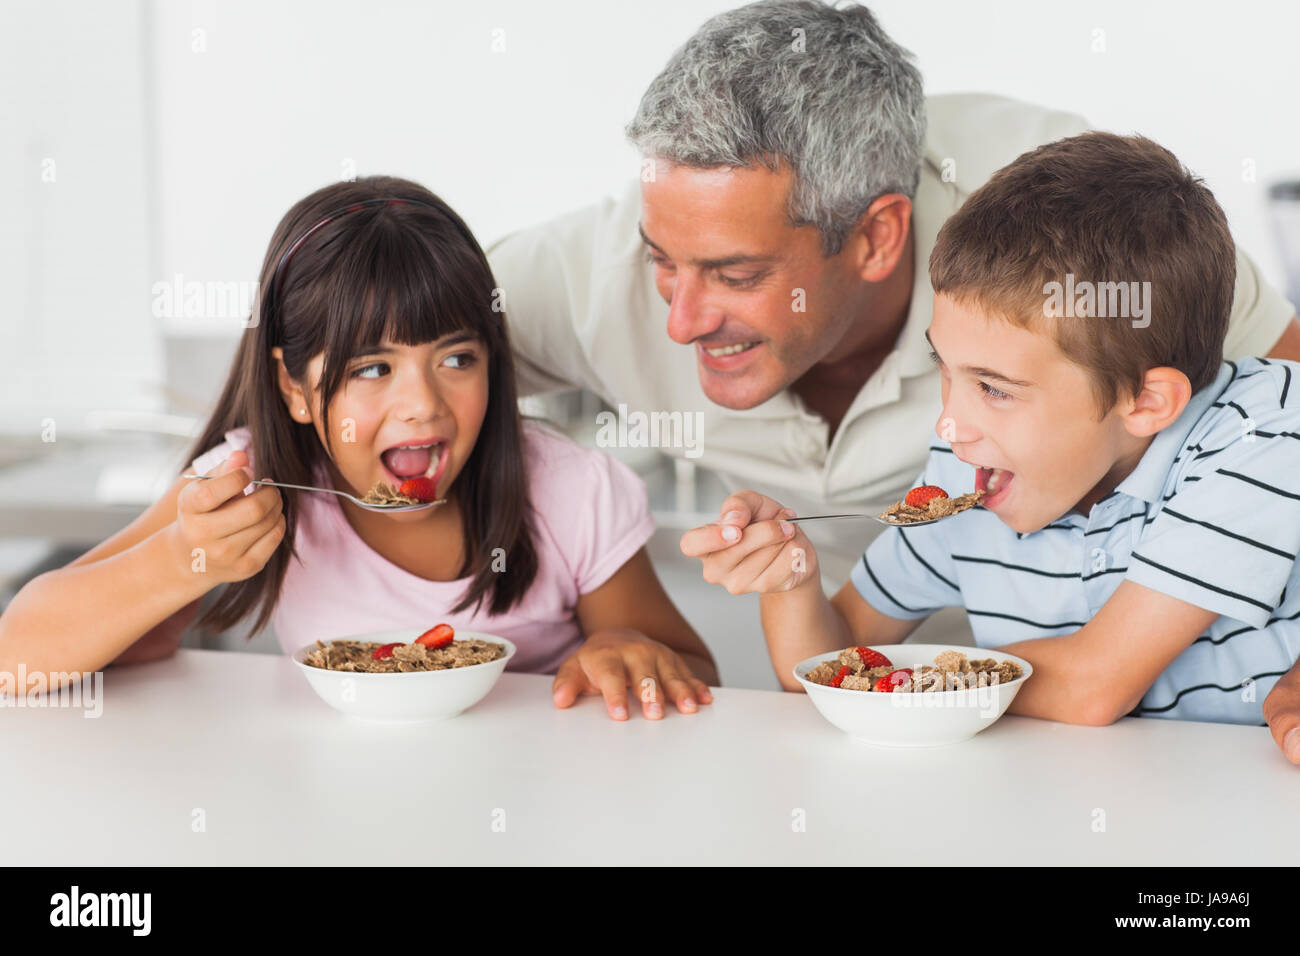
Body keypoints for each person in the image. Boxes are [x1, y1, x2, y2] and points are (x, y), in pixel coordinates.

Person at [487, 0, 1300, 605]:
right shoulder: (586, 274)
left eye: (737, 275)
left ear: (877, 237)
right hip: (873, 662)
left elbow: (1286, 392)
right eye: (664, 261)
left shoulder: (1064, 217)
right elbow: (380, 357)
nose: (680, 320)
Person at [0, 176, 717, 722]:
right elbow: (16, 661)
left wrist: (620, 652)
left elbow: (693, 671)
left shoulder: (567, 491)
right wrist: (182, 559)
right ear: (295, 389)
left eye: (457, 359)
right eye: (373, 369)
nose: (423, 403)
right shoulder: (255, 481)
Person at [681, 132, 1300, 764]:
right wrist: (791, 580)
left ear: (1145, 403)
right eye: (945, 372)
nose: (952, 424)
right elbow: (827, 667)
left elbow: (1093, 687)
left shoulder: (1260, 433)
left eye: (994, 389)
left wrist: (894, 682)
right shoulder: (965, 475)